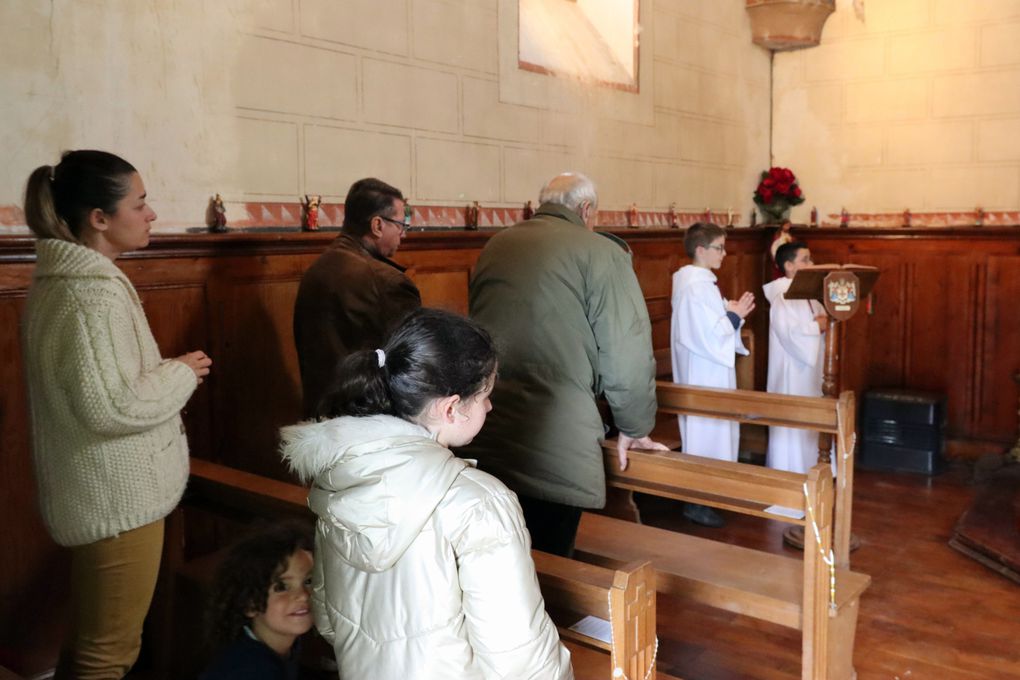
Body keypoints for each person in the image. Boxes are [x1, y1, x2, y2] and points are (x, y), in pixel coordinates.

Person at [280, 309, 573, 680]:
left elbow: (328, 619)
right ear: (451, 407)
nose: (490, 406)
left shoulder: (340, 476)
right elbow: (520, 661)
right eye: (485, 395)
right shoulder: (478, 504)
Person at [20, 150, 212, 678]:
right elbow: (113, 406)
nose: (150, 214)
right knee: (109, 652)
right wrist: (182, 373)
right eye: (140, 203)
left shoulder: (67, 281)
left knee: (89, 639)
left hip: (98, 491)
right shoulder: (89, 295)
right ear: (99, 219)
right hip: (118, 500)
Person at [462, 172, 666, 558]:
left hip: (487, 424)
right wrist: (635, 425)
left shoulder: (497, 245)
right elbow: (627, 352)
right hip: (558, 436)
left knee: (498, 554)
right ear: (586, 209)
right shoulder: (601, 253)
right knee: (550, 559)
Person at [293, 178, 421, 417]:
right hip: (367, 420)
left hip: (319, 415)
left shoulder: (316, 269)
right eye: (401, 224)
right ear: (377, 226)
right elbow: (411, 364)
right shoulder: (387, 281)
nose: (403, 234)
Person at [670, 222, 754, 527]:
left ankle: (711, 495)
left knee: (715, 430)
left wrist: (731, 314)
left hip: (711, 371)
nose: (724, 253)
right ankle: (697, 501)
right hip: (702, 374)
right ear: (701, 250)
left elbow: (713, 326)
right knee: (706, 432)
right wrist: (733, 315)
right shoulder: (694, 286)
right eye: (719, 247)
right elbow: (703, 336)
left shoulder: (701, 283)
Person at [201, 523, 315, 680]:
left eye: (309, 581)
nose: (303, 595)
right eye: (281, 587)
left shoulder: (281, 644)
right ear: (249, 603)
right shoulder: (249, 671)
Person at [764, 241, 828, 474]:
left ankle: (813, 470)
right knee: (793, 425)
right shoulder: (783, 296)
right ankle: (790, 473)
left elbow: (822, 318)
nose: (811, 264)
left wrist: (823, 323)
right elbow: (789, 333)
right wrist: (817, 327)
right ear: (789, 266)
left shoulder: (808, 292)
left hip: (810, 372)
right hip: (793, 371)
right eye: (805, 260)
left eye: (810, 258)